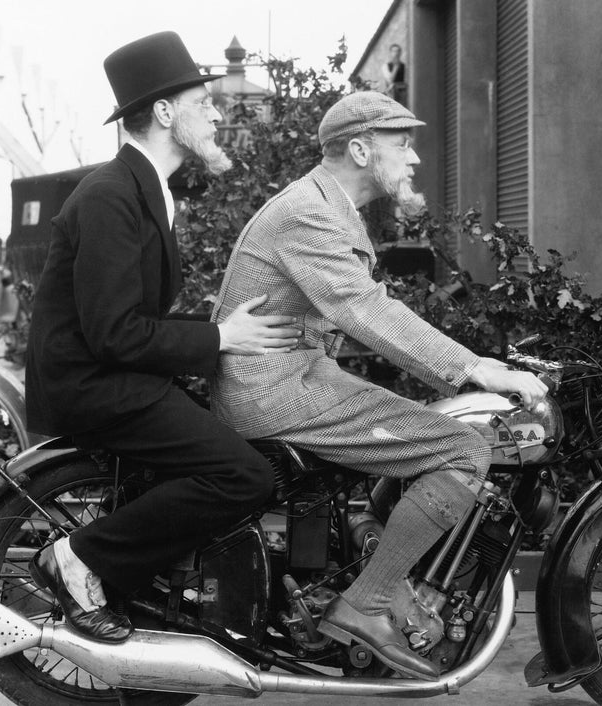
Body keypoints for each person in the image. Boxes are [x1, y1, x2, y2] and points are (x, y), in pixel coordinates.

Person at [210, 90, 548, 680]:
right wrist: (477, 367)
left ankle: (374, 555)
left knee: (430, 429)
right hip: (273, 391)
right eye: (403, 143)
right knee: (464, 448)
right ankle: (369, 602)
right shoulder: (308, 212)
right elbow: (365, 309)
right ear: (361, 150)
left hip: (297, 375)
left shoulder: (327, 204)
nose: (414, 157)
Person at [25, 31, 301, 643]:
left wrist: (223, 332)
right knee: (244, 475)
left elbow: (129, 321)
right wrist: (219, 339)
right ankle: (80, 558)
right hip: (95, 387)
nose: (217, 114)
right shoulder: (110, 196)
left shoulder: (143, 189)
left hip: (117, 375)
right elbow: (115, 334)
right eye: (203, 102)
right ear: (165, 112)